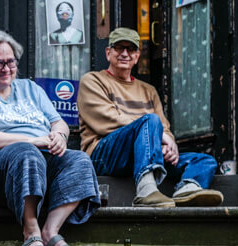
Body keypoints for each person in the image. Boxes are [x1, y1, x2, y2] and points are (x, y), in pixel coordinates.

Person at [0, 28, 99, 246]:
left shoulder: (30, 88)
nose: (7, 69)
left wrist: (59, 137)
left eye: (11, 62)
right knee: (25, 151)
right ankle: (30, 231)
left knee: (79, 159)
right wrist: (32, 140)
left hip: (37, 166)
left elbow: (58, 122)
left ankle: (50, 231)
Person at [77, 27, 223, 208]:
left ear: (137, 56)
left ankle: (187, 189)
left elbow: (164, 126)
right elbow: (106, 120)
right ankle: (146, 190)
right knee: (150, 120)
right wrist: (159, 135)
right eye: (119, 48)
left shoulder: (148, 90)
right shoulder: (92, 81)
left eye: (130, 49)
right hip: (104, 155)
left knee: (204, 160)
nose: (124, 54)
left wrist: (170, 145)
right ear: (108, 53)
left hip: (143, 155)